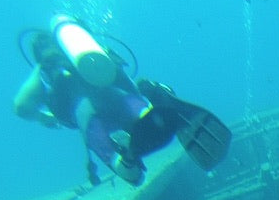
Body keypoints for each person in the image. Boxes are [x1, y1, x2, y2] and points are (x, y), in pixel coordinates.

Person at [14, 15, 231, 187]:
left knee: (131, 175)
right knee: (143, 115)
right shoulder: (87, 57)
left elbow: (21, 107)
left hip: (91, 116)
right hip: (121, 98)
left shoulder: (47, 77)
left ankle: (128, 158)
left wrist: (40, 66)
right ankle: (153, 100)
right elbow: (118, 75)